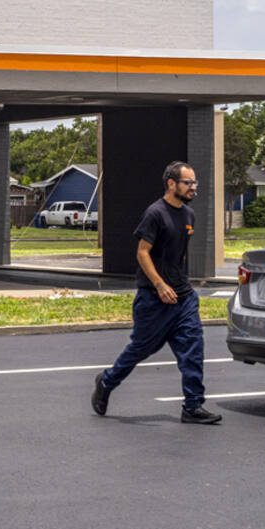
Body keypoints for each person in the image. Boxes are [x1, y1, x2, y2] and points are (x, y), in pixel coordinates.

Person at [91, 160, 221, 425]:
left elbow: (178, 255)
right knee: (141, 349)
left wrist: (178, 283)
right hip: (154, 299)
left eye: (195, 182)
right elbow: (142, 253)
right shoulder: (155, 213)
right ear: (172, 183)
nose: (193, 187)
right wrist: (160, 284)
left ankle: (193, 406)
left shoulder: (188, 215)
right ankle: (106, 381)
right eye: (188, 182)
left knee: (193, 350)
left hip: (183, 297)